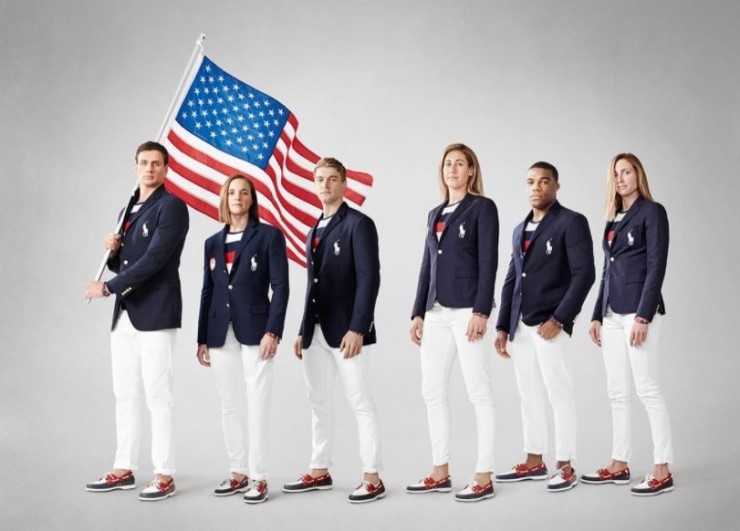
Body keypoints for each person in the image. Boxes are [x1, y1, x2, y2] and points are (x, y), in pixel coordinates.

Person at [84, 141, 189, 501]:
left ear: (166, 169)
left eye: (156, 164)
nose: (149, 169)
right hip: (125, 315)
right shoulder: (127, 209)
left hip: (156, 311)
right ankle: (123, 467)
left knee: (158, 395)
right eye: (144, 163)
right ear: (135, 167)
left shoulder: (172, 206)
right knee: (124, 394)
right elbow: (126, 264)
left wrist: (107, 287)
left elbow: (156, 259)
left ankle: (164, 474)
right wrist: (113, 252)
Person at [282, 157, 384, 504]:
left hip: (347, 332)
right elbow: (312, 284)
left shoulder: (359, 224)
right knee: (318, 402)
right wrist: (302, 329)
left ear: (344, 184)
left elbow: (369, 280)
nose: (325, 185)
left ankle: (372, 476)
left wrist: (358, 328)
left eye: (332, 179)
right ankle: (319, 470)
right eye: (320, 179)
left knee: (360, 402)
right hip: (315, 331)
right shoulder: (313, 229)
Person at [494, 162, 595, 493]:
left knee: (558, 392)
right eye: (530, 182)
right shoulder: (518, 229)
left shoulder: (571, 222)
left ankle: (565, 465)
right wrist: (503, 325)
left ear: (556, 186)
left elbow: (585, 274)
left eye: (544, 181)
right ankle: (534, 460)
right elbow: (511, 279)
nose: (536, 187)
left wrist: (560, 318)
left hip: (549, 324)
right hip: (520, 327)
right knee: (528, 393)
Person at [407, 143, 499, 502]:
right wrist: (418, 311)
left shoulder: (482, 208)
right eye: (448, 163)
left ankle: (483, 474)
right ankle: (440, 471)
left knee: (479, 390)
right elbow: (426, 265)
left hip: (467, 311)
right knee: (432, 390)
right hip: (435, 312)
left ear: (471, 170)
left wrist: (481, 311)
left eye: (460, 164)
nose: (453, 169)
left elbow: (489, 262)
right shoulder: (434, 213)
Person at [582, 153, 674, 496]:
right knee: (616, 392)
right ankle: (619, 464)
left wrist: (643, 315)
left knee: (647, 389)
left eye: (626, 172)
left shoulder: (652, 212)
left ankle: (662, 469)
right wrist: (596, 314)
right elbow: (607, 269)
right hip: (611, 315)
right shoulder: (612, 218)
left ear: (638, 175)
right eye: (616, 174)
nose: (621, 179)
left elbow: (656, 265)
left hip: (638, 313)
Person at [196, 174, 289, 504]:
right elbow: (208, 291)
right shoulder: (212, 243)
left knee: (257, 403)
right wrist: (202, 338)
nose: (237, 197)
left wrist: (273, 331)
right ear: (225, 198)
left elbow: (281, 286)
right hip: (220, 331)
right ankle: (237, 472)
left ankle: (259, 477)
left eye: (244, 192)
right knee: (229, 405)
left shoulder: (269, 236)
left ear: (252, 199)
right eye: (232, 192)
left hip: (257, 331)